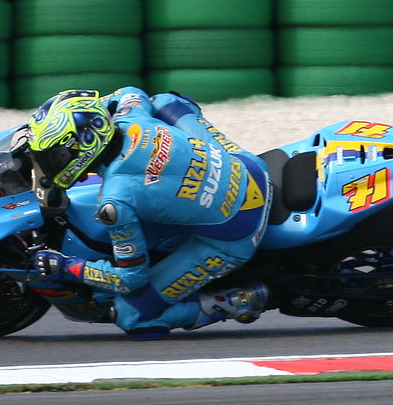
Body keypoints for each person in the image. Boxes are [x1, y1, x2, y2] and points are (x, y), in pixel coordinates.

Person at [23, 86, 272, 338]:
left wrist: (68, 268)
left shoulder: (116, 201)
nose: (49, 163)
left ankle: (238, 301)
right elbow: (131, 92)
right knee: (166, 101)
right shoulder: (131, 117)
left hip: (238, 230)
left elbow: (130, 279)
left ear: (82, 146)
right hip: (249, 166)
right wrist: (97, 106)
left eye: (54, 155)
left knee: (131, 315)